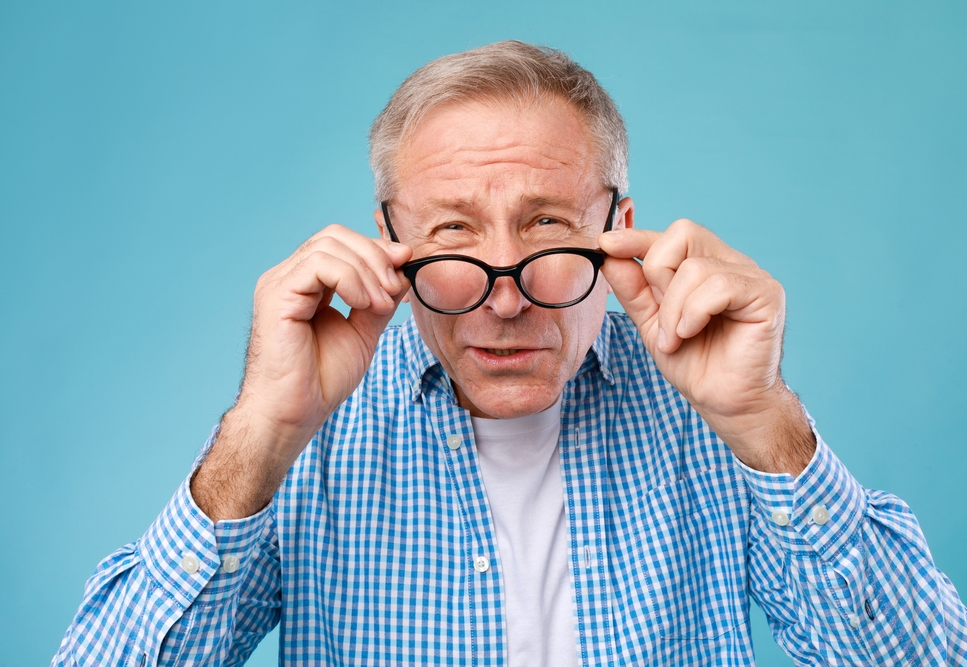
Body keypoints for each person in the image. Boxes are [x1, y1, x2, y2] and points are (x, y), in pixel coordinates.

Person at [53, 40, 966, 667]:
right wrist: (259, 429)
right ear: (388, 242)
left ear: (619, 232)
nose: (501, 290)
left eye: (545, 228)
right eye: (453, 234)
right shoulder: (310, 430)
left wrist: (767, 424)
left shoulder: (713, 405)